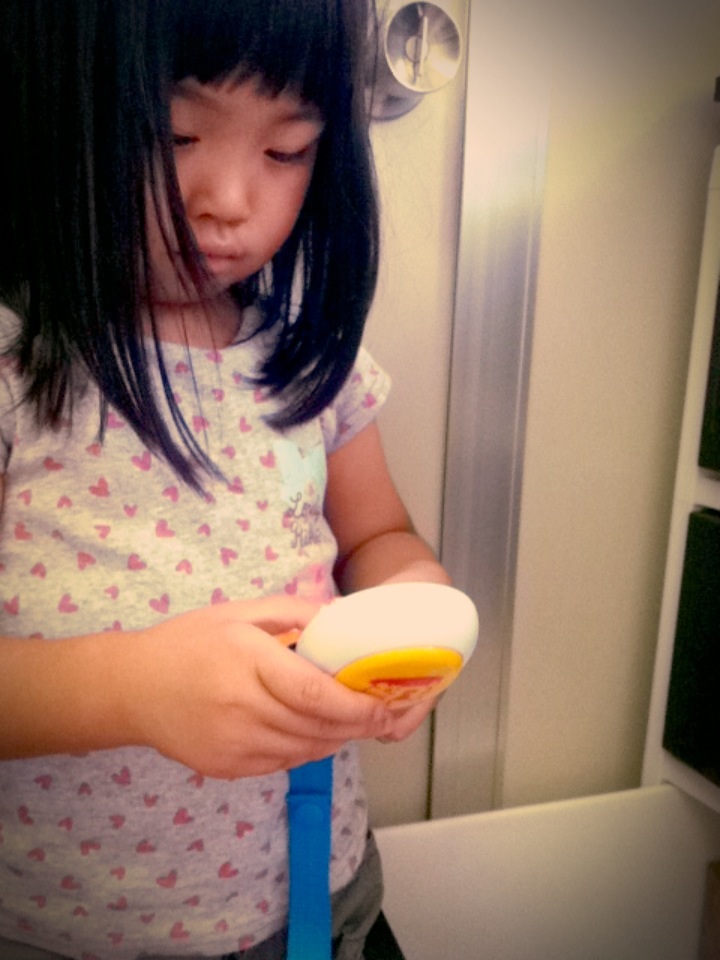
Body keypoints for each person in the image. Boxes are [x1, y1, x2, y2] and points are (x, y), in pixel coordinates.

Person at [0, 2, 451, 959]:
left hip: (322, 904)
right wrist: (135, 689)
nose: (230, 201)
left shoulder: (309, 364)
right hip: (72, 932)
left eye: (288, 150)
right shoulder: (14, 366)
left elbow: (379, 535)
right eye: (174, 135)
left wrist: (412, 600)